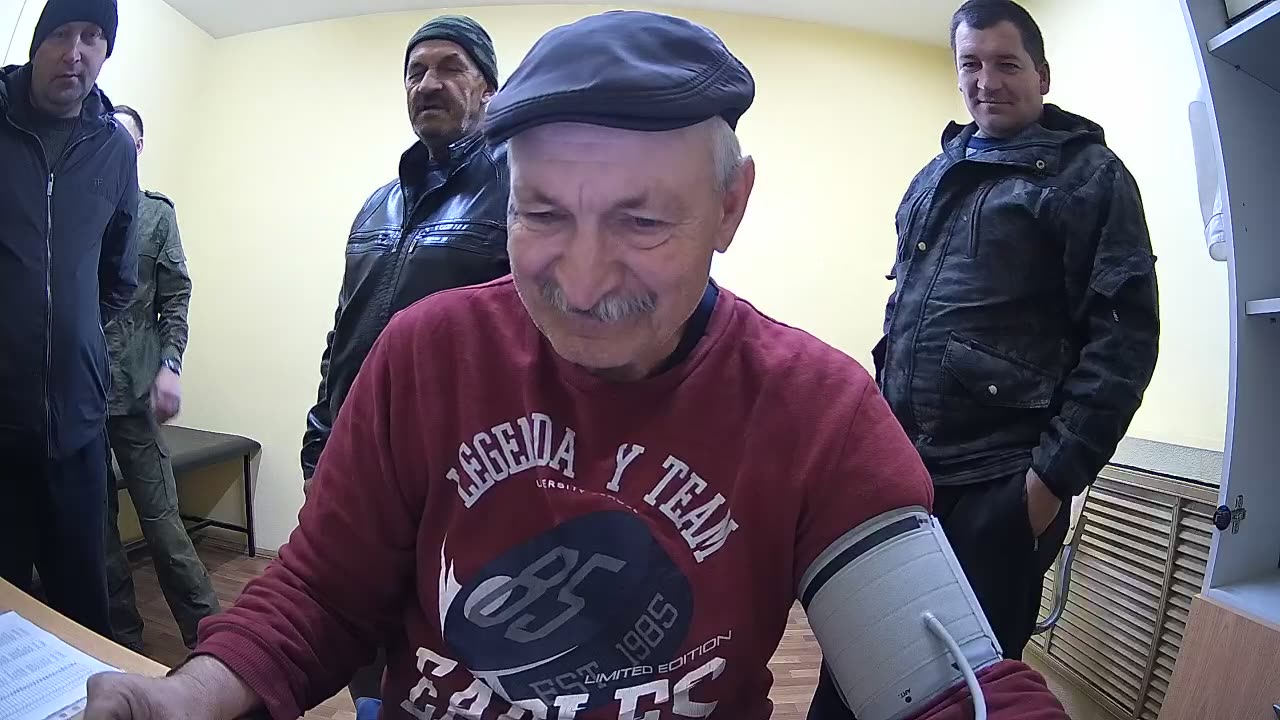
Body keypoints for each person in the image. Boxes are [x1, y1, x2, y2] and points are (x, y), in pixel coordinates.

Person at [85, 11, 1069, 720]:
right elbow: (320, 593)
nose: (583, 282)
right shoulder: (426, 354)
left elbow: (941, 683)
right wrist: (188, 697)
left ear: (730, 207)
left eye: (641, 222)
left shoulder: (818, 410)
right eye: (542, 214)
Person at [807, 2, 1161, 714]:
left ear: (1042, 75)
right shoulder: (936, 173)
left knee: (966, 688)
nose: (986, 81)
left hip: (999, 487)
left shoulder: (1090, 178)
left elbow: (1124, 341)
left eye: (1006, 63)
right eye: (970, 64)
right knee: (856, 675)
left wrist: (1047, 485)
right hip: (902, 475)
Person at [299, 14, 511, 702]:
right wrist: (319, 441)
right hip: (357, 463)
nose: (428, 83)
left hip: (464, 478)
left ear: (488, 89)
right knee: (359, 628)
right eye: (415, 72)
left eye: (450, 67)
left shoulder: (520, 194)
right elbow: (343, 335)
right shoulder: (377, 207)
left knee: (454, 651)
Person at [0, 0, 138, 639]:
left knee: (82, 610)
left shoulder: (114, 148)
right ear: (37, 44)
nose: (76, 52)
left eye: (93, 37)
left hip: (77, 427)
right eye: (62, 33)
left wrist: (73, 340)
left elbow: (118, 275)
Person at [100, 103, 221, 653]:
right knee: (97, 532)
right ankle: (121, 639)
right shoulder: (79, 210)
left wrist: (170, 366)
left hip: (136, 395)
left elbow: (175, 299)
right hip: (77, 399)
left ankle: (212, 641)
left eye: (126, 139)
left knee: (164, 526)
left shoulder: (156, 214)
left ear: (140, 147)